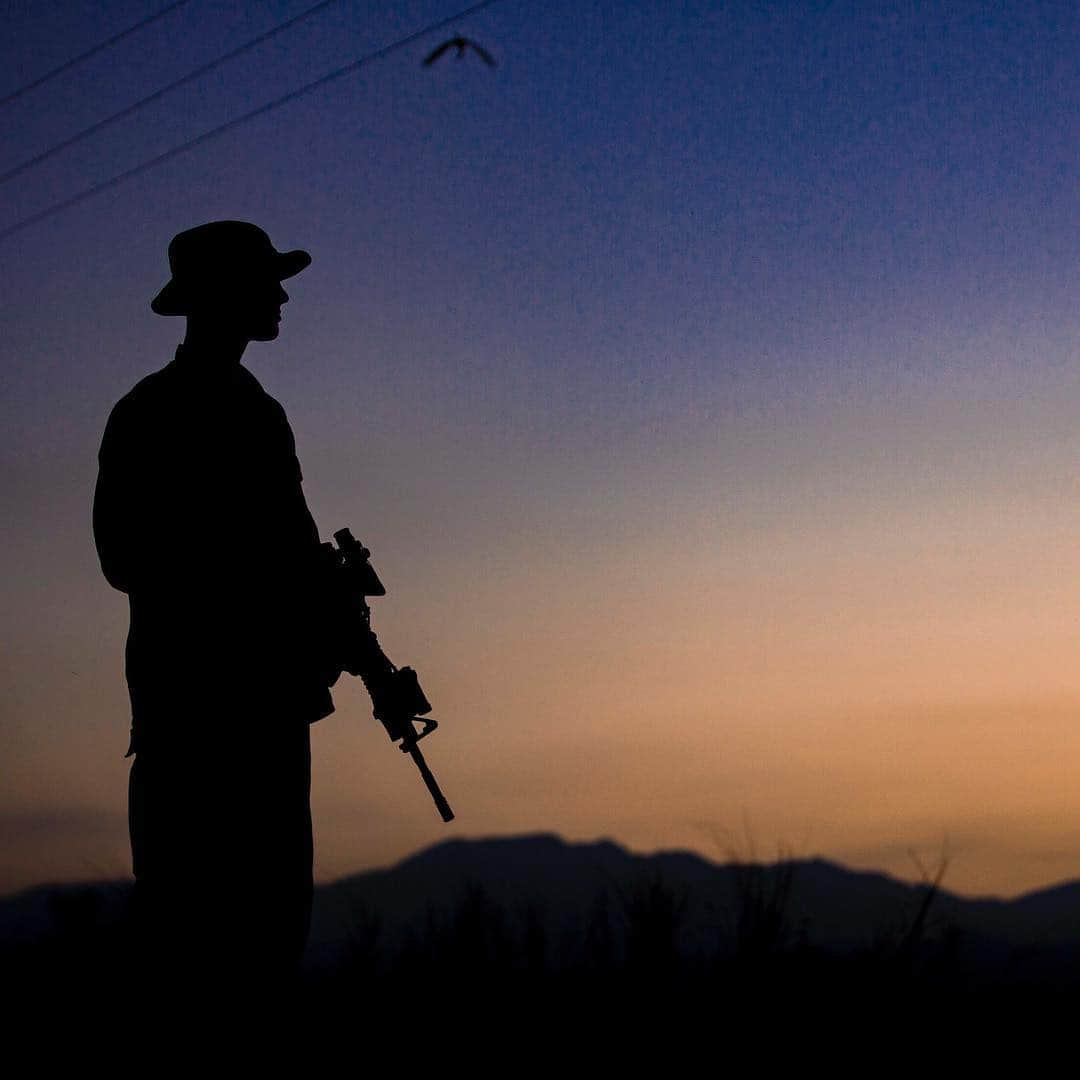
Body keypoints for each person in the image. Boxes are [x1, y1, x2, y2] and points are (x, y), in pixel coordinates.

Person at [92, 220, 336, 1009]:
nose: (280, 295)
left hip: (266, 722)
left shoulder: (261, 413)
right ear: (222, 297)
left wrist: (324, 621)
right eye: (266, 282)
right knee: (189, 950)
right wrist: (249, 590)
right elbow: (125, 557)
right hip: (193, 726)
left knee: (270, 942)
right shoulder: (150, 412)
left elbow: (298, 554)